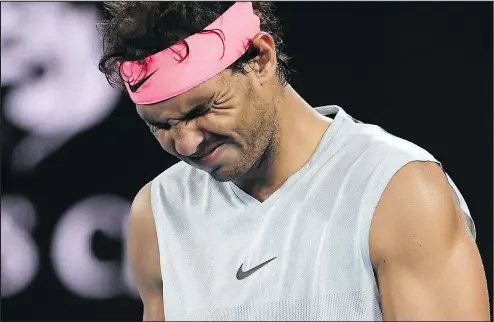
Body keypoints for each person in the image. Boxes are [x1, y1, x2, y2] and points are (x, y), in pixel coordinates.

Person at [97, 2, 490, 320]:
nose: (184, 143)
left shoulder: (395, 188)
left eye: (202, 109)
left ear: (261, 59)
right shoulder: (158, 212)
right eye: (160, 125)